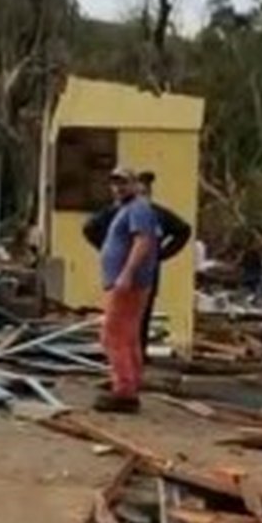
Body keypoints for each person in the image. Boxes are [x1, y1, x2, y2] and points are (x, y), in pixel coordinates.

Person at [83, 170, 191, 359]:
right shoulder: (116, 212)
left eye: (145, 192)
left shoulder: (155, 213)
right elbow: (89, 228)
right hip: (120, 275)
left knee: (139, 318)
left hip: (144, 274)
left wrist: (162, 254)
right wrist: (109, 249)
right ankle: (126, 363)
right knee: (119, 323)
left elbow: (182, 230)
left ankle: (134, 362)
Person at [93, 167, 159, 413]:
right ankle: (130, 382)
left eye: (123, 183)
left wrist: (126, 274)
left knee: (112, 335)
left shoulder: (138, 208)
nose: (118, 187)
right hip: (129, 282)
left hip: (128, 283)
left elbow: (142, 242)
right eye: (114, 183)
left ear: (134, 184)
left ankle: (124, 390)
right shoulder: (129, 209)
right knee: (128, 335)